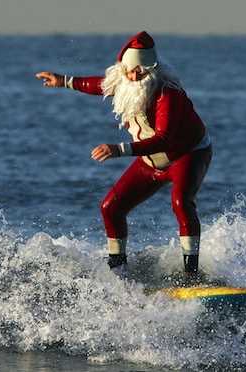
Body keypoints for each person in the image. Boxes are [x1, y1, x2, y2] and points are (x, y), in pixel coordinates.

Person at [36, 31, 212, 279]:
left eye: (140, 72)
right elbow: (99, 85)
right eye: (130, 71)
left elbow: (164, 139)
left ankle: (191, 276)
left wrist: (119, 149)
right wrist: (63, 80)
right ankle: (118, 272)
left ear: (151, 69)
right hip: (150, 161)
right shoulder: (124, 81)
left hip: (186, 155)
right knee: (111, 207)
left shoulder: (167, 94)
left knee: (181, 203)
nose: (134, 76)